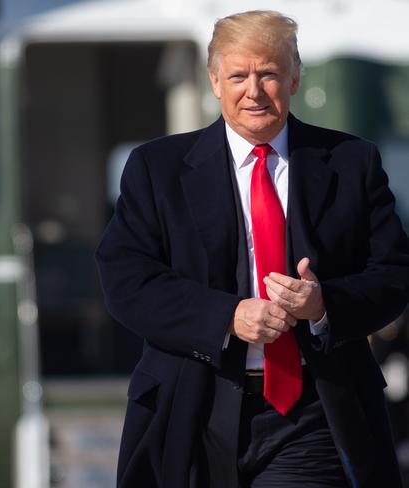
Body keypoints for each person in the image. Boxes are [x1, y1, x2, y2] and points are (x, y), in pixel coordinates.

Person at [95, 10, 409, 488]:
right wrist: (228, 317)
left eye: (269, 74)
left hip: (313, 410)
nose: (254, 91)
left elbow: (393, 273)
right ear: (215, 81)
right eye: (239, 75)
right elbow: (126, 280)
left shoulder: (352, 162)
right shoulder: (156, 169)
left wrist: (324, 305)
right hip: (193, 405)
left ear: (296, 78)